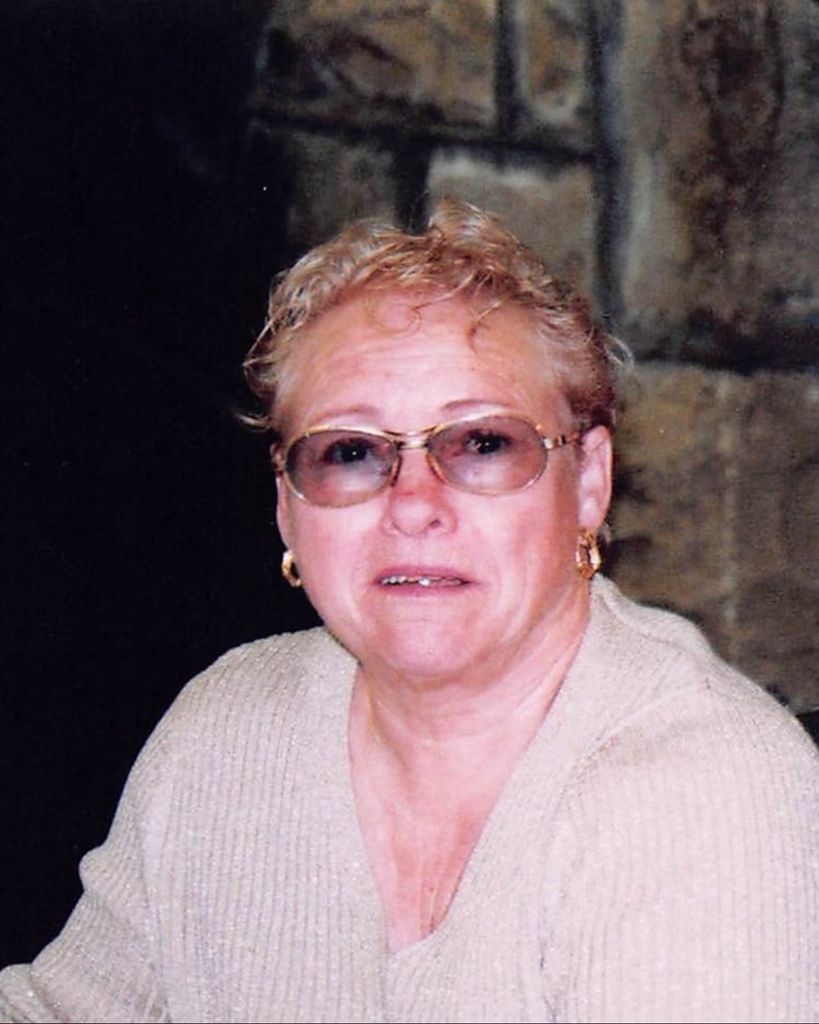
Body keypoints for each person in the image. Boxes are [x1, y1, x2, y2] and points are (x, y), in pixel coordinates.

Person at [1, 198, 818, 1024]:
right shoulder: (225, 729)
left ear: (588, 482)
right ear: (287, 507)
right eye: (350, 452)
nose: (413, 506)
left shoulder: (705, 788)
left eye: (482, 444)